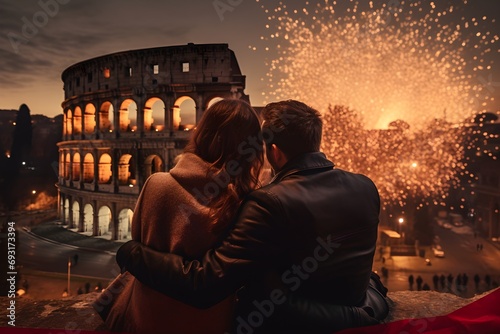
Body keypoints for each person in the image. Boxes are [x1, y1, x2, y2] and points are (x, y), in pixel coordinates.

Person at [117, 100, 384, 333]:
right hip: (358, 308)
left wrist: (131, 253)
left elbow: (206, 283)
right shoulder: (366, 185)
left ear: (275, 151)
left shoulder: (268, 201)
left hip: (291, 325)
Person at [100, 99, 265, 334]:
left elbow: (137, 240)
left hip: (145, 318)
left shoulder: (156, 184)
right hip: (207, 324)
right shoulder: (243, 203)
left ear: (202, 134)